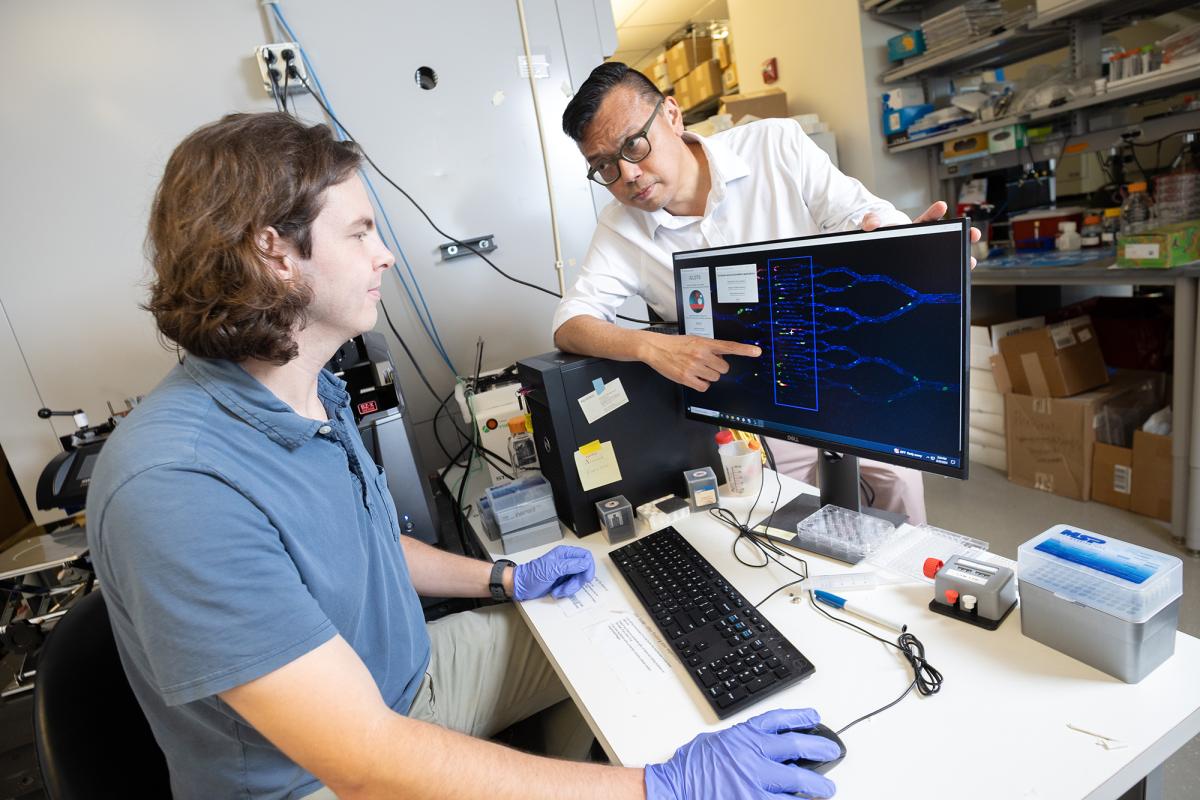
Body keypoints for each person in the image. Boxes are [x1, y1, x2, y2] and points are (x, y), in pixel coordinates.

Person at [86, 111, 842, 800]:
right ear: (275, 253)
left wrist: (506, 576)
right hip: (315, 781)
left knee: (620, 630)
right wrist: (659, 788)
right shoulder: (177, 484)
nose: (385, 256)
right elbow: (364, 760)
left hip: (409, 682)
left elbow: (372, 545)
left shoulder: (312, 391)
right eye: (359, 233)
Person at [552, 64, 981, 525]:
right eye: (605, 166)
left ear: (672, 115)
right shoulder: (621, 229)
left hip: (849, 376)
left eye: (633, 145)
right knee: (786, 534)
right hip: (755, 415)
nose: (628, 174)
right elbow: (569, 323)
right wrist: (652, 346)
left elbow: (860, 214)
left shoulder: (774, 146)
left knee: (898, 514)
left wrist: (911, 251)